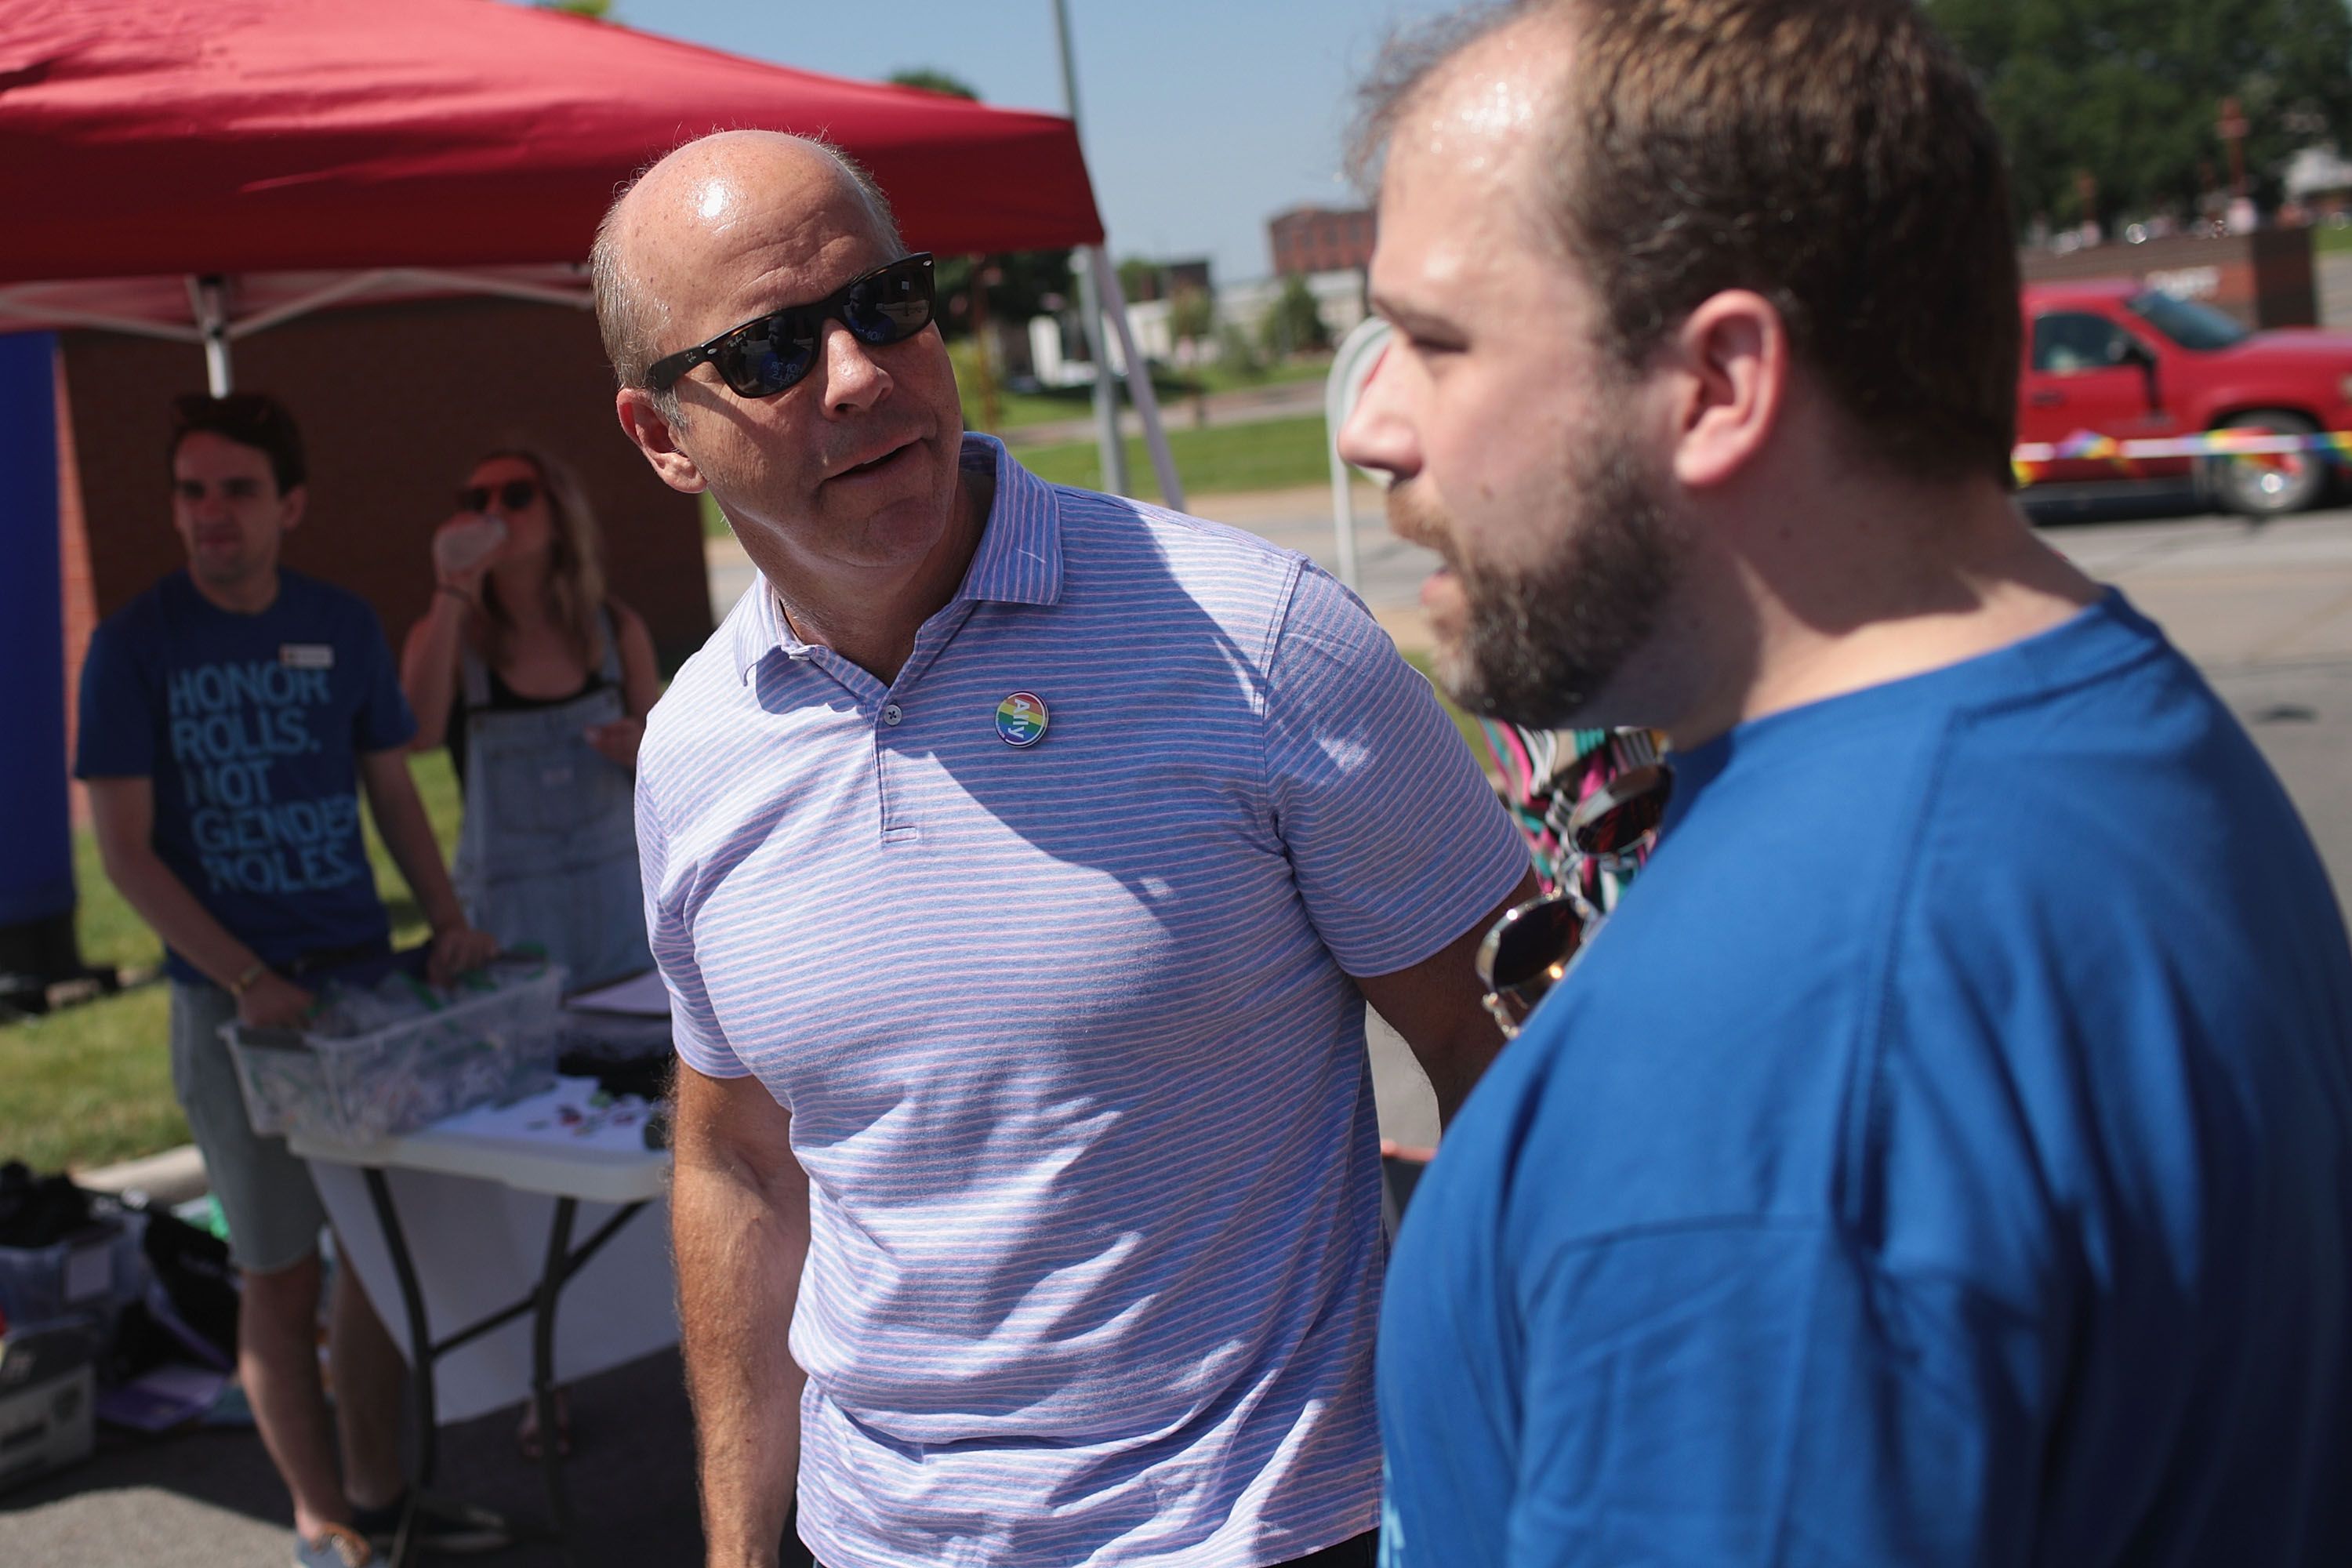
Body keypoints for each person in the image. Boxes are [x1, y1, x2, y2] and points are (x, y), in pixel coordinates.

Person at [1338, 2, 2352, 1564]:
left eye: (1440, 342)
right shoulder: (2102, 729)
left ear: (1720, 381)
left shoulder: (1780, 1051)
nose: (1369, 428)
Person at [591, 130, 1536, 1568]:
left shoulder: (1257, 638)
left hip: (1263, 1533)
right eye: (774, 348)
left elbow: (1506, 1043)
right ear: (662, 438)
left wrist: (1518, 1451)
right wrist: (740, 1548)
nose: (857, 371)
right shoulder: (696, 748)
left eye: (885, 303)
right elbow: (742, 1165)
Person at [78, 393, 501, 1568]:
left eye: (238, 490)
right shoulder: (134, 645)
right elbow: (123, 852)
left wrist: (451, 920)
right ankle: (320, 1523)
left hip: (362, 996)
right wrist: (247, 974)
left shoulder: (340, 624)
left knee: (374, 1260)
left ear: (290, 505)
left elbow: (395, 790)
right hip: (235, 1016)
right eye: (192, 492)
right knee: (275, 1275)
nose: (211, 515)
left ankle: (380, 1496)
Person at [400, 447, 660, 993]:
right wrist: (451, 587)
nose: (494, 511)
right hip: (509, 928)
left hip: (623, 917)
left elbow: (671, 765)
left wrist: (642, 747)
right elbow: (416, 734)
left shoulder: (615, 629)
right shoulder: (450, 636)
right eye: (476, 501)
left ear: (561, 517)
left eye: (516, 496)